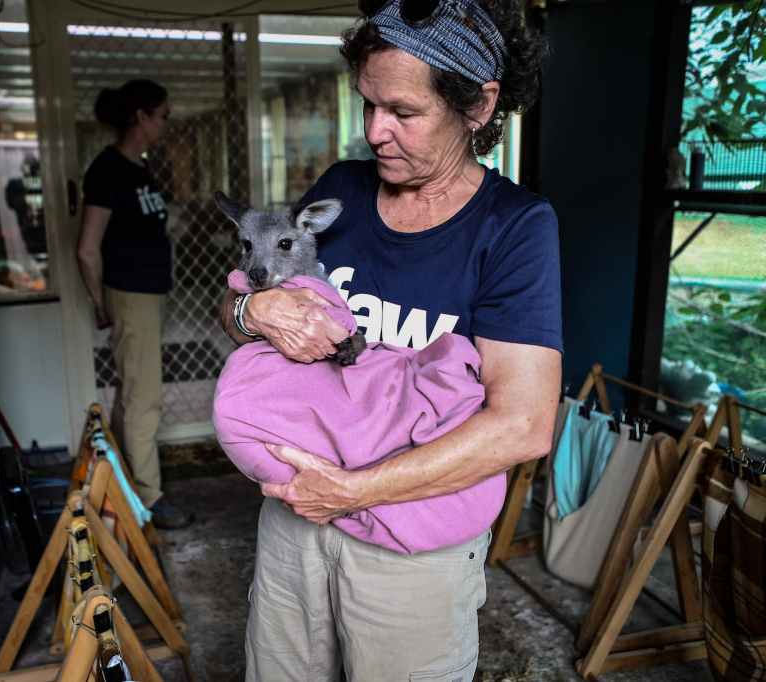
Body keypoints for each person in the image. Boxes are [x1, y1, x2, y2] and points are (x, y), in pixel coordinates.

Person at [218, 0, 562, 679]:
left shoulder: (514, 227)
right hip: (296, 518)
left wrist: (353, 490)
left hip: (411, 535)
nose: (375, 131)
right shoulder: (341, 191)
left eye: (403, 111)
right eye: (368, 104)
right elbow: (235, 313)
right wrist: (254, 312)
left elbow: (523, 426)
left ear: (479, 105)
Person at [78, 79, 193, 530]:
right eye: (162, 115)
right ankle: (149, 499)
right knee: (144, 399)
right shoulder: (108, 170)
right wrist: (100, 302)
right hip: (130, 296)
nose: (166, 124)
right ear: (141, 116)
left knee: (134, 394)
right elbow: (87, 248)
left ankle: (125, 480)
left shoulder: (139, 168)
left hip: (147, 294)